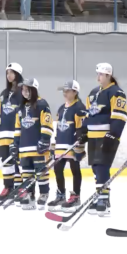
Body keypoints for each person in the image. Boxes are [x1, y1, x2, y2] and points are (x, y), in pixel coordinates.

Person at [78, 63, 127, 217]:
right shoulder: (93, 93)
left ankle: (104, 199)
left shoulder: (116, 92)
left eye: (101, 74)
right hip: (93, 137)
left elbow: (120, 116)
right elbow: (89, 114)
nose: (98, 76)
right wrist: (83, 131)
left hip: (106, 136)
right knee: (95, 167)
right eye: (97, 73)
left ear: (108, 75)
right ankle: (101, 195)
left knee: (102, 167)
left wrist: (113, 135)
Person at [12, 78, 54, 210]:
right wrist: (15, 144)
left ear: (33, 89)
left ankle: (43, 193)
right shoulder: (21, 108)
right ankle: (29, 195)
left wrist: (45, 140)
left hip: (38, 148)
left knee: (41, 172)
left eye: (27, 89)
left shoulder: (42, 104)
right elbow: (18, 128)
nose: (24, 92)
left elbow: (47, 124)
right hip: (24, 148)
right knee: (27, 173)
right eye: (23, 89)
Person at [47, 80, 86, 213]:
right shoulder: (61, 108)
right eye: (64, 90)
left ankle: (76, 196)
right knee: (57, 169)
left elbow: (82, 126)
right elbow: (58, 128)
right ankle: (61, 195)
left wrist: (81, 140)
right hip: (61, 144)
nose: (64, 93)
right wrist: (54, 145)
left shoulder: (79, 107)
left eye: (67, 90)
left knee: (75, 169)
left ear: (75, 92)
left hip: (72, 144)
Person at [0, 63, 24, 204]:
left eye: (12, 73)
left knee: (17, 161)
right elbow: (0, 114)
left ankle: (19, 188)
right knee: (6, 162)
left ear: (18, 74)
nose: (9, 75)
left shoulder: (23, 92)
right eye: (7, 73)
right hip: (4, 134)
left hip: (16, 133)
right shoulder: (3, 94)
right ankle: (8, 187)